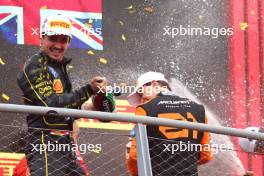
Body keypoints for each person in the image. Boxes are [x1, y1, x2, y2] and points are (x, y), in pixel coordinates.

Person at [17, 14, 115, 176]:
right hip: (44, 143)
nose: (58, 45)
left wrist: (95, 103)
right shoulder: (35, 65)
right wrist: (87, 90)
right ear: (42, 38)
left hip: (65, 143)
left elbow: (66, 107)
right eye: (53, 38)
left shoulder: (58, 67)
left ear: (69, 42)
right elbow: (50, 104)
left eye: (63, 40)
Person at [126, 71, 212, 176]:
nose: (142, 100)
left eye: (141, 94)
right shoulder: (199, 109)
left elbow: (135, 156)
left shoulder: (144, 109)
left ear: (154, 84)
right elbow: (205, 155)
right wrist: (184, 164)